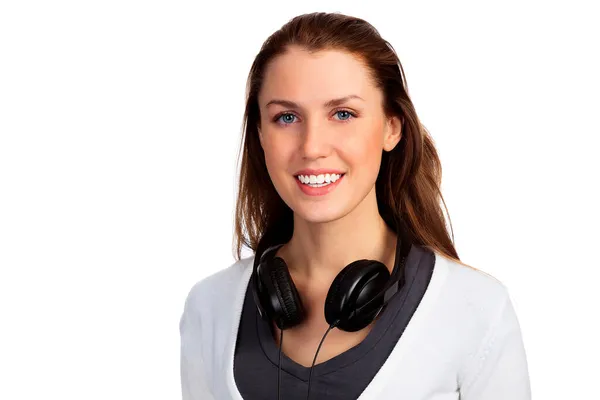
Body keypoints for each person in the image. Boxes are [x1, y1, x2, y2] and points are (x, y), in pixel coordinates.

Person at [179, 11, 531, 400]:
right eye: (287, 117)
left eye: (343, 114)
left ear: (392, 127)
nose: (312, 147)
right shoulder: (210, 307)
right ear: (260, 133)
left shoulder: (476, 310)